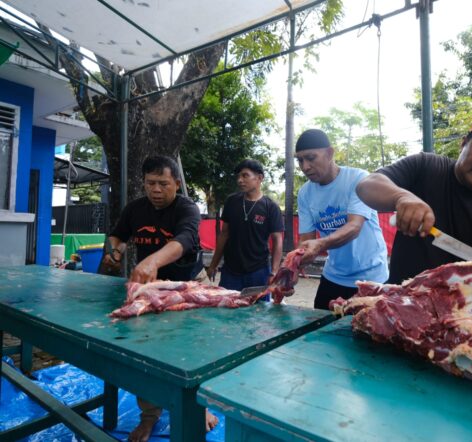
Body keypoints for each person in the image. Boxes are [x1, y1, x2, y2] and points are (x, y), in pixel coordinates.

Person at [101, 155, 218, 442]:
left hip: (188, 286)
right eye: (150, 183)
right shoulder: (135, 209)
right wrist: (113, 251)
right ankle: (149, 416)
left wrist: (152, 260)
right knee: (146, 351)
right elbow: (117, 236)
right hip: (150, 291)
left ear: (177, 183)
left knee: (193, 350)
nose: (156, 189)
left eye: (163, 184)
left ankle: (200, 409)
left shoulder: (187, 208)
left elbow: (186, 240)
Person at [356, 108, 472, 284]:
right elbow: (367, 185)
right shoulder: (425, 166)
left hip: (467, 307)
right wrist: (401, 197)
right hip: (399, 300)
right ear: (464, 143)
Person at [295, 129, 389, 309]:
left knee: (368, 331)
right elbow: (306, 240)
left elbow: (354, 226)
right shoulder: (305, 193)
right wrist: (294, 266)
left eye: (311, 158)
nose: (305, 166)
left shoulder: (359, 179)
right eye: (300, 160)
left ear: (330, 153)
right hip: (334, 276)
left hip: (371, 278)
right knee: (321, 330)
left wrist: (320, 244)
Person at [206, 159, 284, 294]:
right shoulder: (232, 201)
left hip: (258, 271)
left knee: (258, 311)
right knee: (227, 310)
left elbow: (277, 240)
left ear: (259, 178)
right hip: (230, 271)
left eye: (245, 175)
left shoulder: (270, 207)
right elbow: (224, 234)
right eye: (238, 177)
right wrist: (213, 265)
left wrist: (274, 271)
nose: (240, 180)